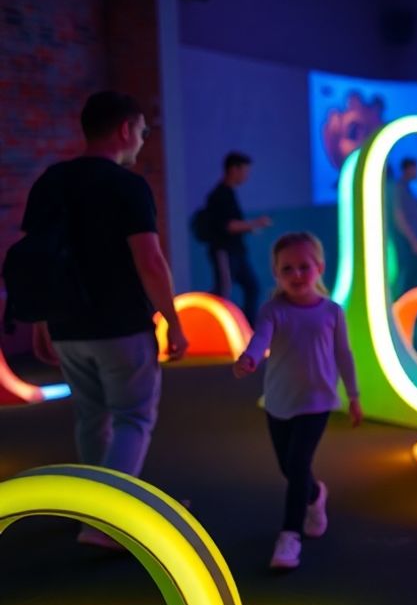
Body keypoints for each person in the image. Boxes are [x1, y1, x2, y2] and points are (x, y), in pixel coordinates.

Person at [22, 90, 188, 550]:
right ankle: (105, 521)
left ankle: (92, 507)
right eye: (142, 131)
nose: (142, 140)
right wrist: (173, 321)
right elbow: (149, 260)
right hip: (122, 326)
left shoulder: (50, 182)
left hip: (67, 327)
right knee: (134, 418)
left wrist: (41, 322)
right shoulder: (127, 186)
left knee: (92, 417)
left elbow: (39, 261)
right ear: (124, 129)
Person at [233, 232, 362, 571]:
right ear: (276, 273)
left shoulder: (332, 312)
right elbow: (260, 340)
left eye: (304, 267)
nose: (297, 275)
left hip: (317, 401)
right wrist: (249, 358)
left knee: (298, 462)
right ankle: (316, 495)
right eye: (287, 268)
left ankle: (289, 536)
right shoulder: (273, 310)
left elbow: (344, 354)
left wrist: (354, 395)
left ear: (319, 268)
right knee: (289, 468)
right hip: (279, 400)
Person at [204, 152, 270, 324]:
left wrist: (249, 227)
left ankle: (248, 328)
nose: (246, 176)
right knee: (223, 291)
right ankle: (209, 322)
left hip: (237, 252)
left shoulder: (229, 193)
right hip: (224, 252)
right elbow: (228, 225)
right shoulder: (219, 195)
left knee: (252, 287)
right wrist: (254, 224)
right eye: (245, 171)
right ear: (234, 169)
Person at [387, 157, 417, 296]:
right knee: (404, 273)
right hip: (404, 240)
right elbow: (399, 217)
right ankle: (400, 306)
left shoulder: (405, 187)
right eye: (415, 168)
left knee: (408, 273)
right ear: (407, 169)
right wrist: (413, 240)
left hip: (407, 239)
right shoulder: (398, 188)